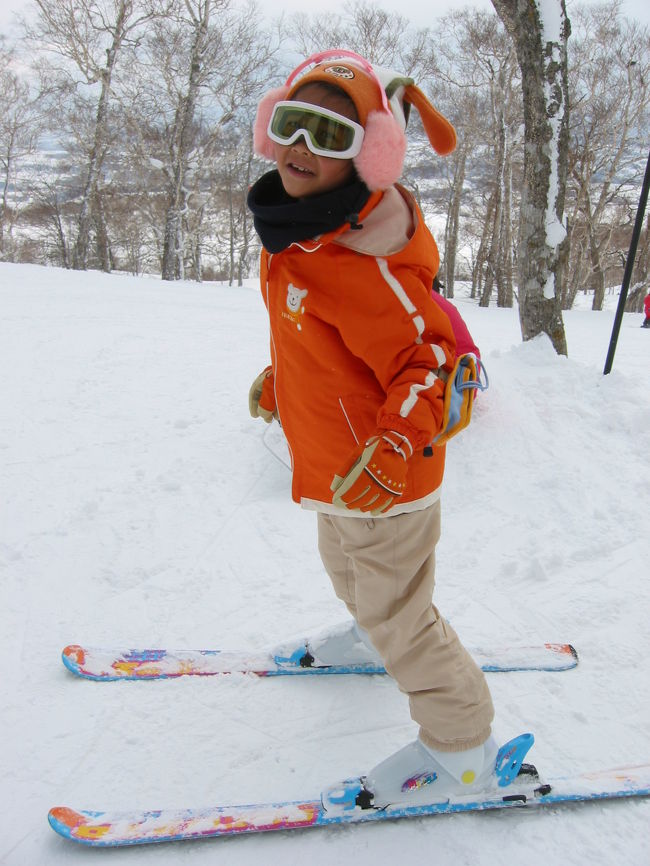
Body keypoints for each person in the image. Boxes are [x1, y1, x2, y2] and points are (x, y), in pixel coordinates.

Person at [246, 50, 526, 809]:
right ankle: (370, 634)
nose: (303, 148)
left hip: (386, 472)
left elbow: (430, 359)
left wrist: (396, 441)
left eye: (330, 135)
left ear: (367, 155)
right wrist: (287, 382)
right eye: (292, 125)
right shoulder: (302, 236)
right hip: (342, 467)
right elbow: (329, 343)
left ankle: (462, 751)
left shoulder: (358, 262)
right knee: (347, 570)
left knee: (403, 615)